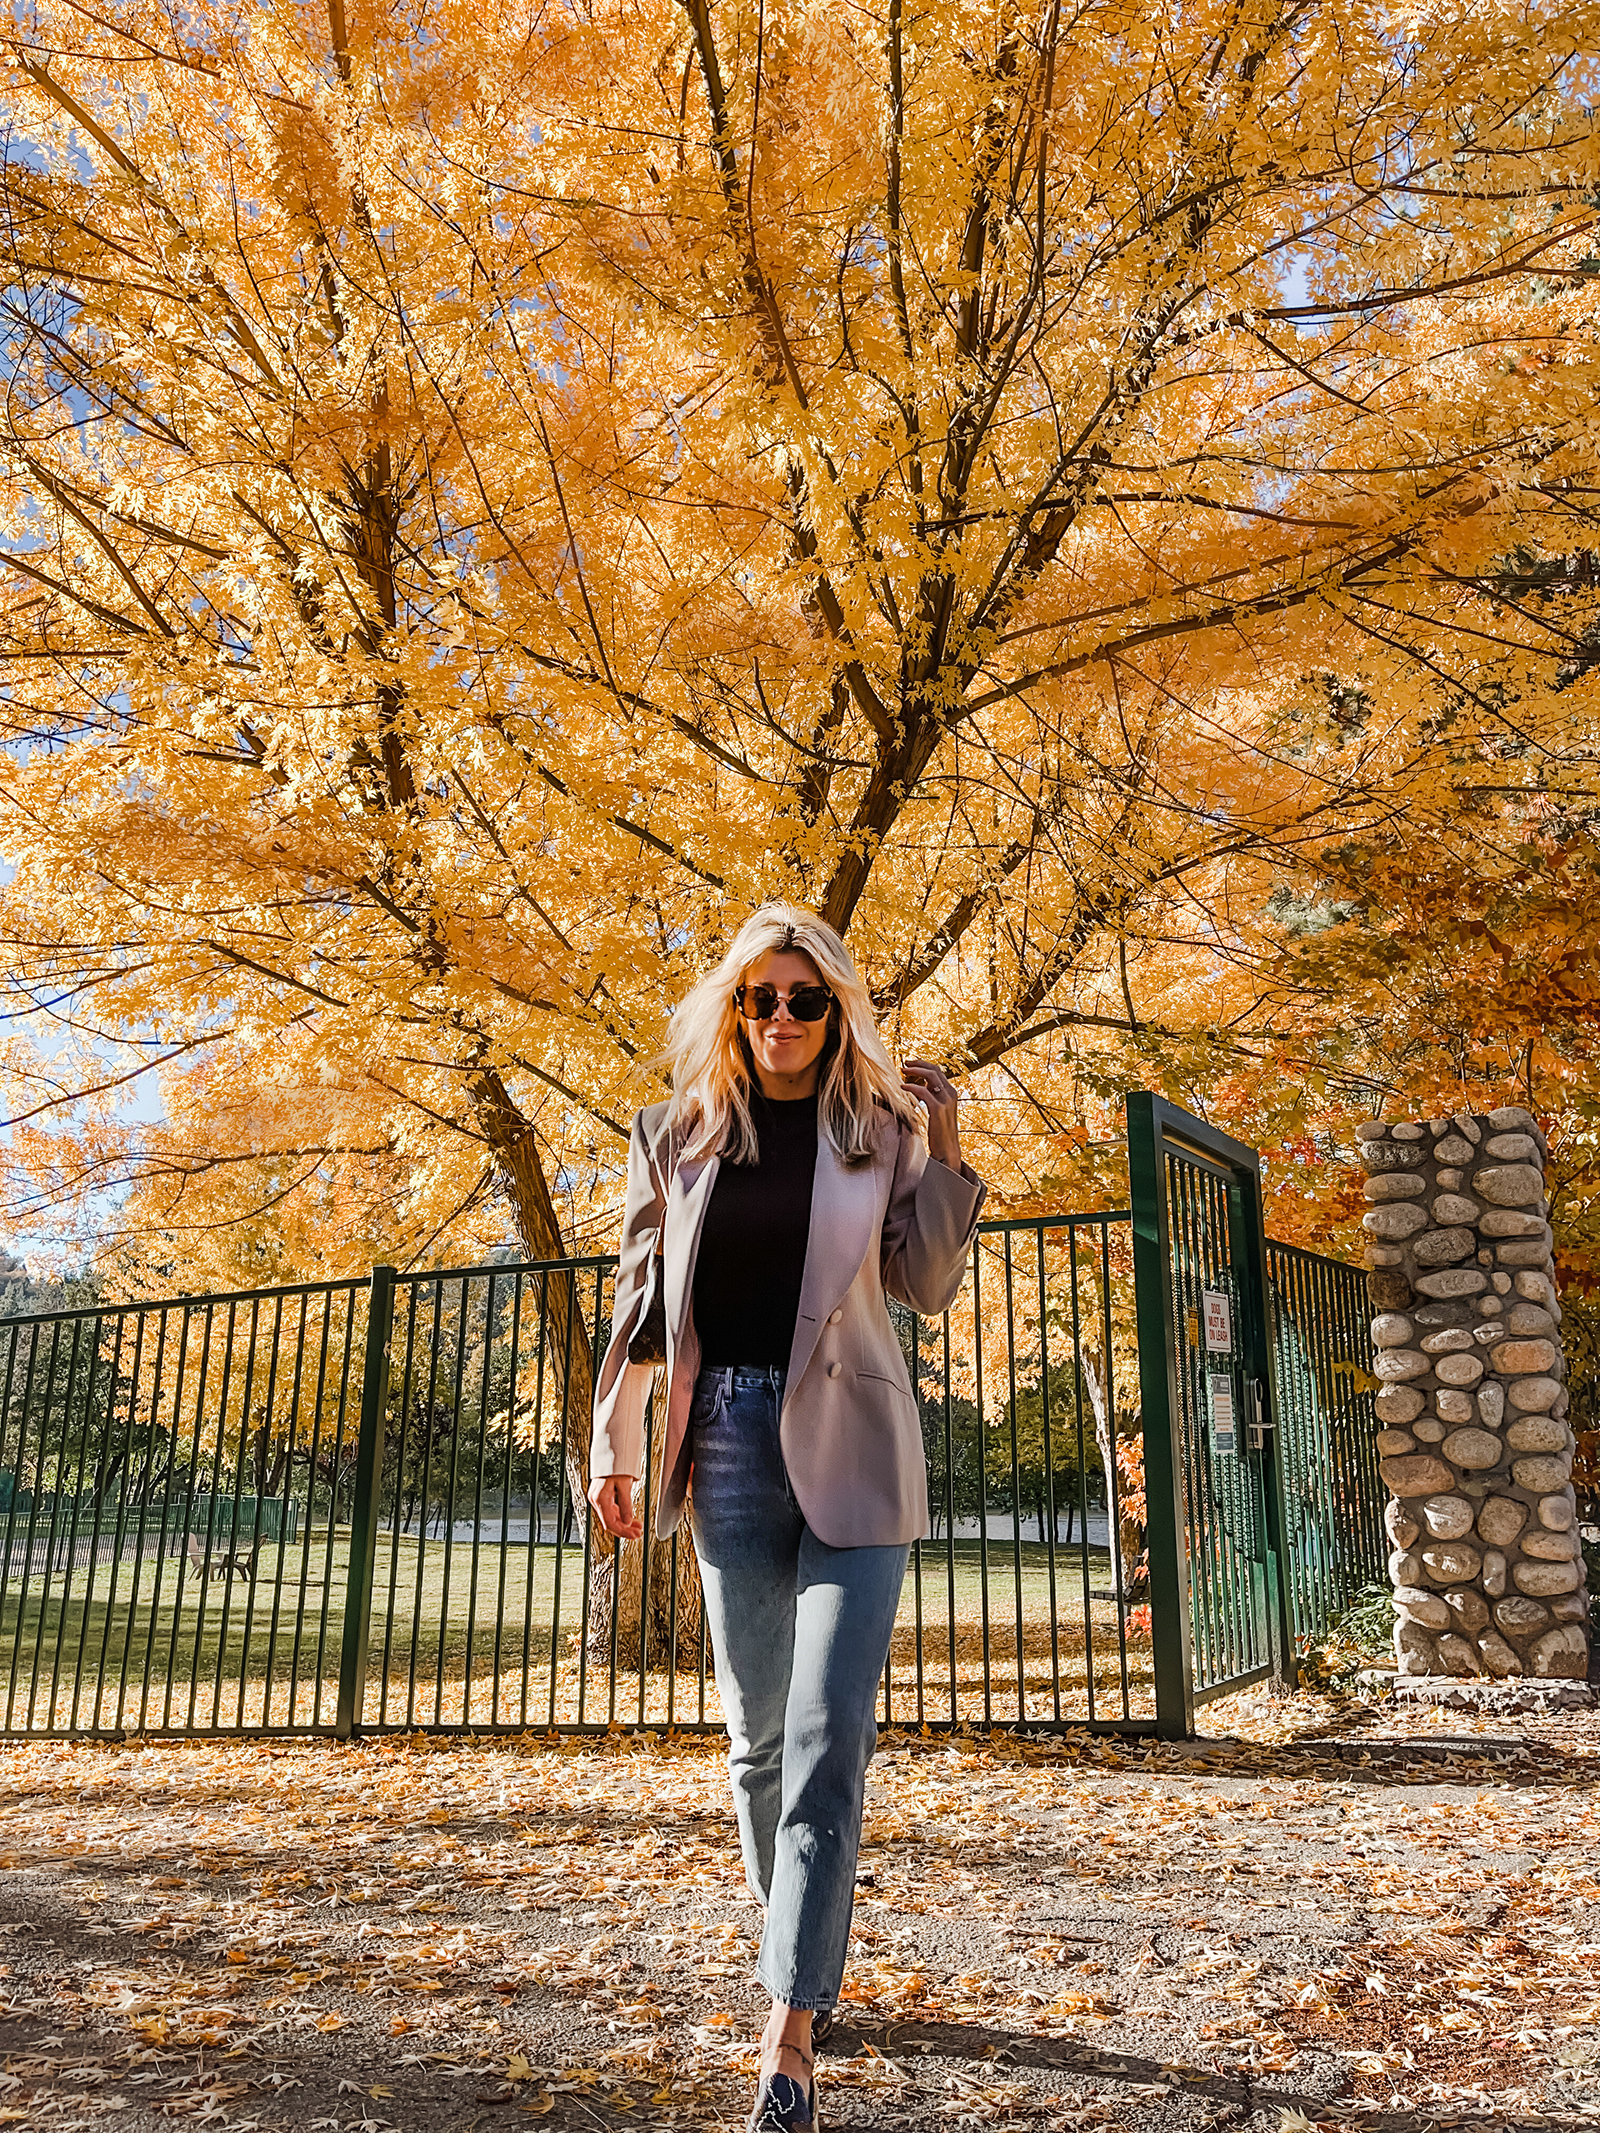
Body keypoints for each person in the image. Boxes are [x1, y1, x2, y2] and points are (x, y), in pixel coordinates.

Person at [589, 904, 984, 2132]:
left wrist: (949, 1144)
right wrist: (611, 1437)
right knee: (758, 1746)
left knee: (825, 1737)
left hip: (856, 1451)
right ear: (731, 1009)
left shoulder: (878, 1134)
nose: (779, 1020)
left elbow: (922, 1284)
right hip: (727, 1450)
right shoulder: (676, 1134)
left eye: (804, 1000)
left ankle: (790, 2028)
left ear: (836, 1012)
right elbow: (641, 1306)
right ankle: (801, 1946)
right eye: (757, 998)